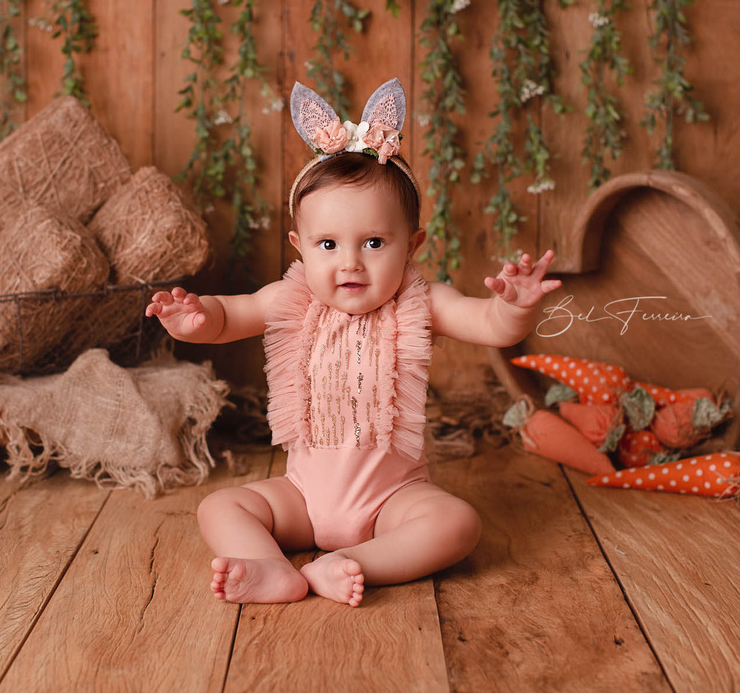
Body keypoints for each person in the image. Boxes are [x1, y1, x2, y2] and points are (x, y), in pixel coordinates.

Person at [146, 78, 563, 607]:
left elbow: (490, 324)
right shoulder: (292, 298)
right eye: (328, 243)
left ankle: (351, 563)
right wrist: (196, 319)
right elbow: (231, 315)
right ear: (300, 246)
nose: (350, 262)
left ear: (411, 245)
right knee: (219, 507)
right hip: (302, 499)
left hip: (391, 501)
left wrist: (515, 307)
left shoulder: (421, 302)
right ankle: (272, 569)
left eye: (373, 242)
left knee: (458, 523)